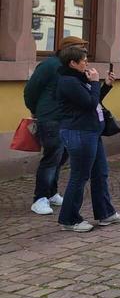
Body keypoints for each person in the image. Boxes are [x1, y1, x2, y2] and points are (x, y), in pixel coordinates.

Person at [56, 46, 120, 232]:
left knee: (100, 173)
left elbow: (95, 100)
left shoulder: (79, 78)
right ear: (72, 63)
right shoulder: (68, 81)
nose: (87, 63)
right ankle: (69, 219)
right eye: (84, 60)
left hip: (92, 131)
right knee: (79, 177)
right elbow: (89, 103)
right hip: (79, 132)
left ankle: (105, 213)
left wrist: (105, 86)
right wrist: (95, 83)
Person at [25, 36, 88, 216]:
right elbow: (31, 90)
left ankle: (51, 192)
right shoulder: (49, 65)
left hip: (68, 118)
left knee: (61, 156)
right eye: (80, 48)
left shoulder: (73, 66)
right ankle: (40, 198)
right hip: (51, 118)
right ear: (67, 49)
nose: (84, 52)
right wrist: (35, 110)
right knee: (52, 156)